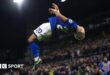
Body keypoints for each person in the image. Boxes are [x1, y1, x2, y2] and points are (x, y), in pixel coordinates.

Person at [28, 3, 85, 70]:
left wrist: (55, 11)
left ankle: (37, 59)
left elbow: (59, 16)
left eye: (83, 30)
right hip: (50, 31)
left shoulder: (73, 24)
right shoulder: (72, 28)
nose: (83, 29)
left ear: (80, 30)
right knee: (34, 41)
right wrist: (57, 10)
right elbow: (60, 18)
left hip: (49, 27)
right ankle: (36, 59)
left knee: (30, 40)